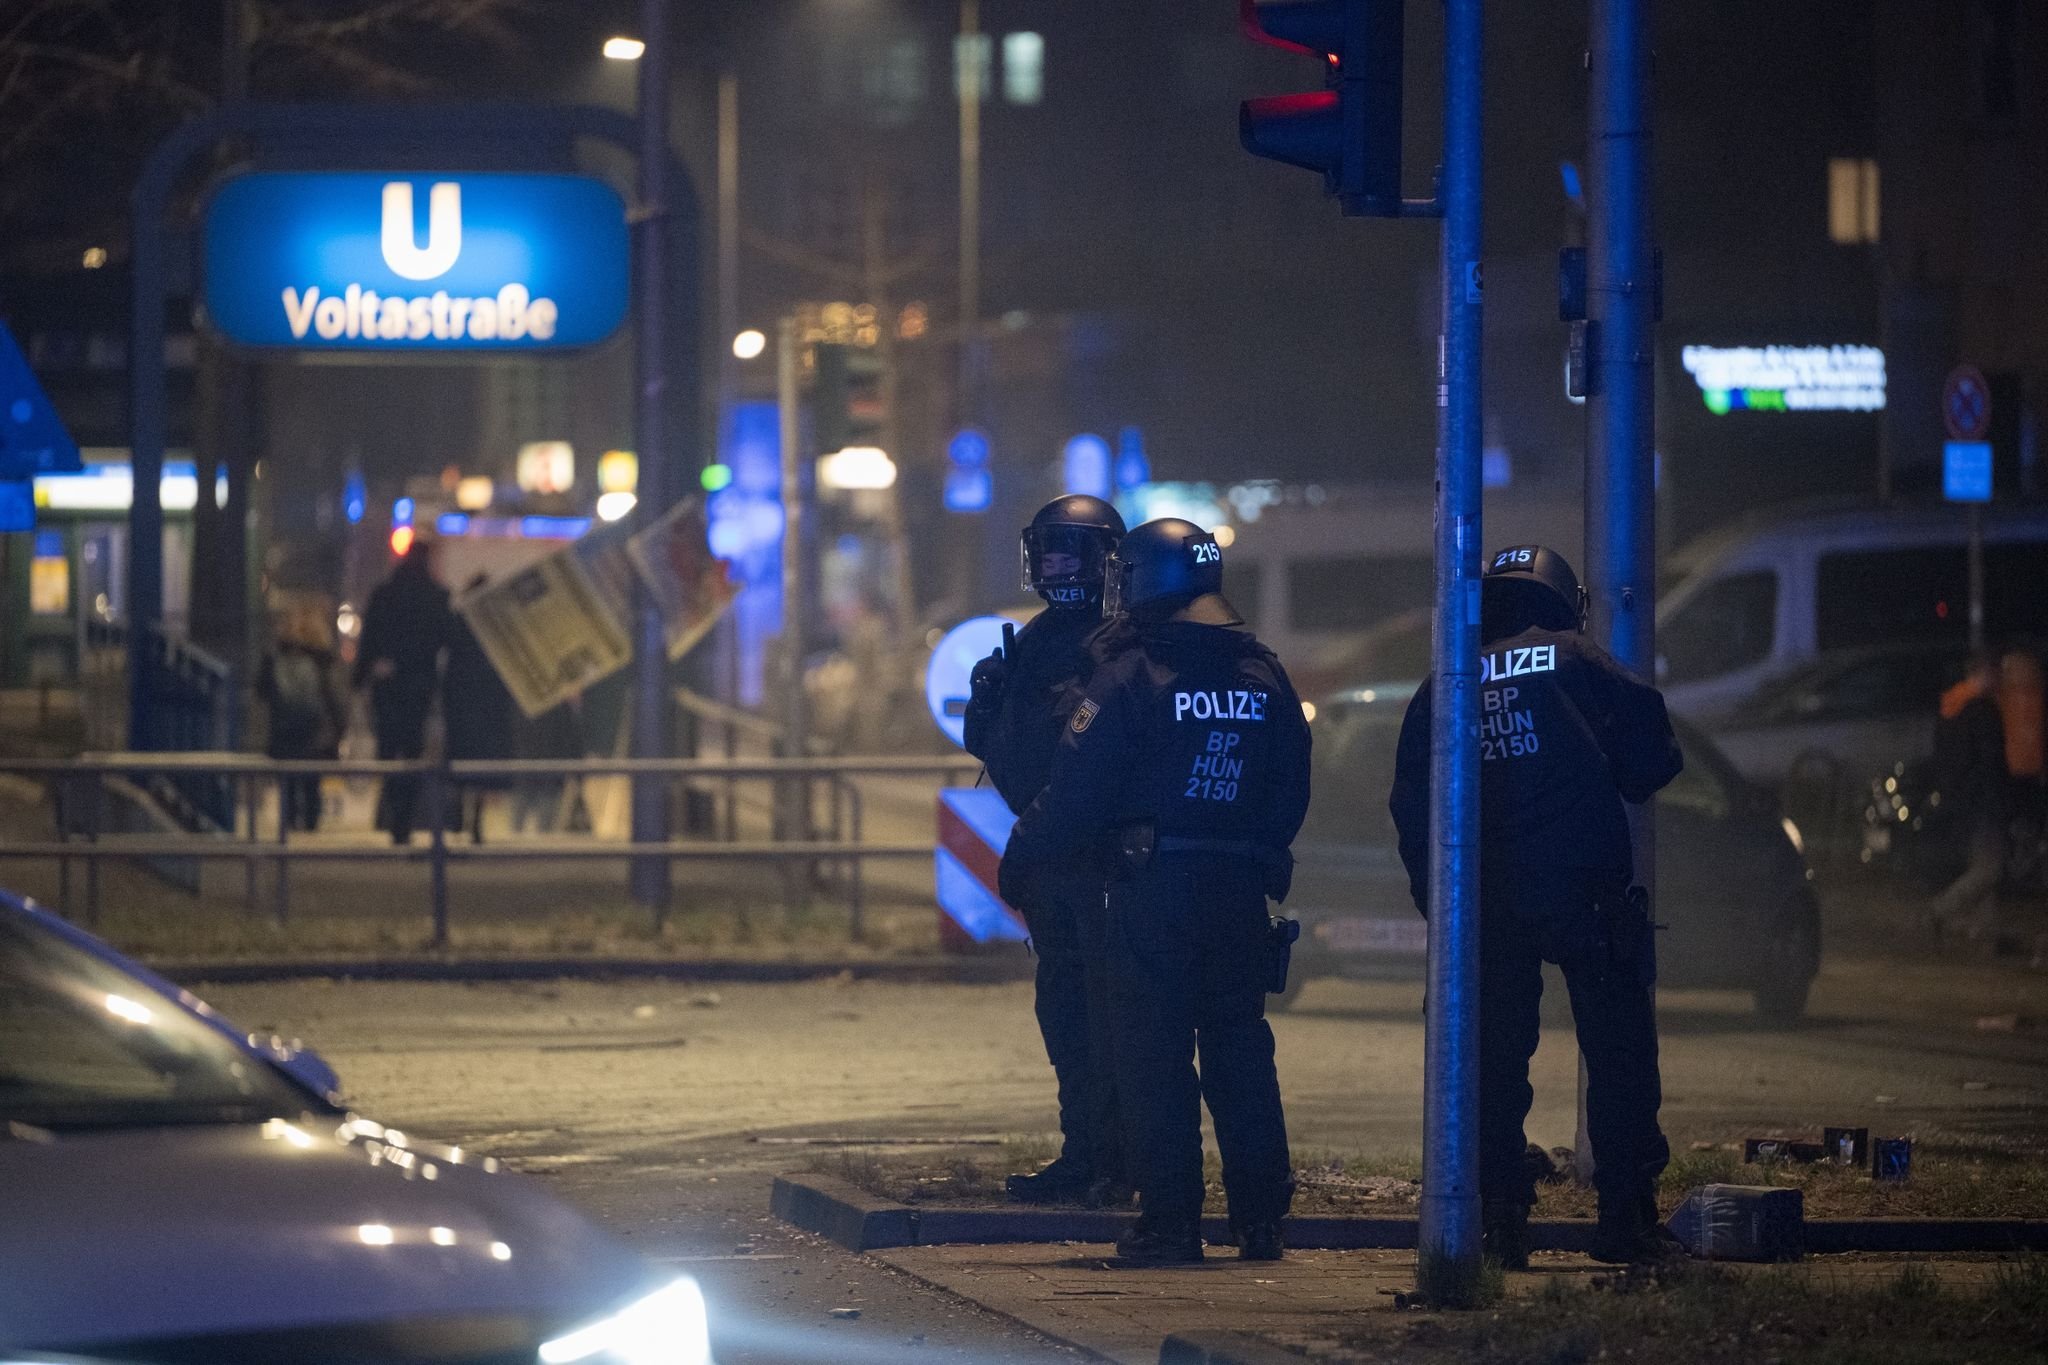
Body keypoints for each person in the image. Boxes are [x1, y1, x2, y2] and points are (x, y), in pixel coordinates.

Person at [1000, 518, 1311, 1264]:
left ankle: (1172, 1223)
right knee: (1242, 1049)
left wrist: (1021, 852)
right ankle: (1261, 1221)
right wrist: (1257, 853)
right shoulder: (1261, 671)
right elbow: (1292, 782)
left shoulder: (1131, 673)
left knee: (1155, 1056)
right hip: (1239, 891)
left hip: (1151, 890)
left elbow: (1077, 788)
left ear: (1142, 581)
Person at [1388, 545, 1684, 1268]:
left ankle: (1500, 1221)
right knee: (1616, 1054)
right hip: (1585, 892)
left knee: (1488, 1062)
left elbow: (1411, 809)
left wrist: (1445, 912)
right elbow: (1654, 758)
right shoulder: (1576, 658)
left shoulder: (1446, 682)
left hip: (1485, 901)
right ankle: (1625, 1218)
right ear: (1563, 601)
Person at [963, 495, 1129, 1208]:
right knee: (1064, 1014)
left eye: (1073, 550)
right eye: (1049, 549)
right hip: (1052, 865)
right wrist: (985, 700)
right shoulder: (1033, 639)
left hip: (1103, 863)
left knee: (1111, 1017)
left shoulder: (1124, 641)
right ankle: (1083, 1153)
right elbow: (1001, 745)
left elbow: (1090, 762)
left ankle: (1124, 1161)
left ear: (1107, 561)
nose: (1058, 564)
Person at [353, 537, 453, 845]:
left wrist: (360, 677)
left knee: (388, 748)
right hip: (418, 685)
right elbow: (443, 640)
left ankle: (391, 809)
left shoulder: (384, 595)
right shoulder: (437, 597)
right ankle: (403, 819)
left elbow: (369, 639)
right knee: (412, 751)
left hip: (387, 685)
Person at [1929, 651, 2009, 944]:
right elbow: (1992, 760)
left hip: (1961, 798)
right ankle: (1940, 909)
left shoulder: (1951, 705)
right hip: (1983, 798)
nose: (2000, 678)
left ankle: (1986, 933)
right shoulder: (1982, 709)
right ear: (1982, 672)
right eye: (1995, 672)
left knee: (1982, 863)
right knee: (1989, 869)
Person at [256, 602, 348, 831]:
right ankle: (309, 831)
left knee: (287, 785)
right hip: (314, 732)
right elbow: (336, 698)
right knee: (311, 785)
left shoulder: (275, 657)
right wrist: (339, 730)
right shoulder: (323, 659)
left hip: (283, 729)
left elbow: (261, 691)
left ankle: (287, 833)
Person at [443, 574, 519, 844]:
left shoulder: (459, 622)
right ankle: (474, 822)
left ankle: (459, 818)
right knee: (481, 765)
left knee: (461, 763)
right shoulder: (496, 625)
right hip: (488, 703)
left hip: (462, 702)